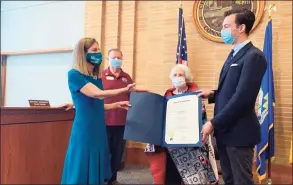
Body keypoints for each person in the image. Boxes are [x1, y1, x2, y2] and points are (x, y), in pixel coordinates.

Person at [199, 8, 267, 185]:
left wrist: (213, 123)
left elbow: (243, 98)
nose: (223, 30)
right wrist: (213, 94)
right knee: (228, 179)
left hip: (239, 133)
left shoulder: (254, 56)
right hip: (225, 132)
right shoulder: (233, 54)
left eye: (226, 26)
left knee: (241, 180)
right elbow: (233, 89)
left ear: (241, 28)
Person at [60, 37, 135, 185]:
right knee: (81, 164)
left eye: (99, 50)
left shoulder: (95, 77)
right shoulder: (74, 74)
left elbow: (97, 105)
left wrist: (116, 105)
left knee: (98, 164)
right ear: (83, 53)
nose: (98, 53)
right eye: (94, 50)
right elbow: (96, 94)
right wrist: (124, 89)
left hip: (98, 127)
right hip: (85, 128)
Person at [145, 64, 218, 185]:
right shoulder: (167, 95)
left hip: (190, 145)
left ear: (187, 78)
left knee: (192, 178)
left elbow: (202, 118)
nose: (177, 77)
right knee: (170, 175)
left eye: (181, 75)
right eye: (175, 75)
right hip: (171, 144)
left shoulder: (196, 95)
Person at [102, 48, 147, 185]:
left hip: (122, 122)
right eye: (113, 57)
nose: (116, 60)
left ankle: (113, 179)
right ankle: (103, 178)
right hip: (104, 121)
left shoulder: (126, 77)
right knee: (105, 151)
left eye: (119, 57)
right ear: (108, 59)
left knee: (117, 152)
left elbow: (132, 94)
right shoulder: (100, 75)